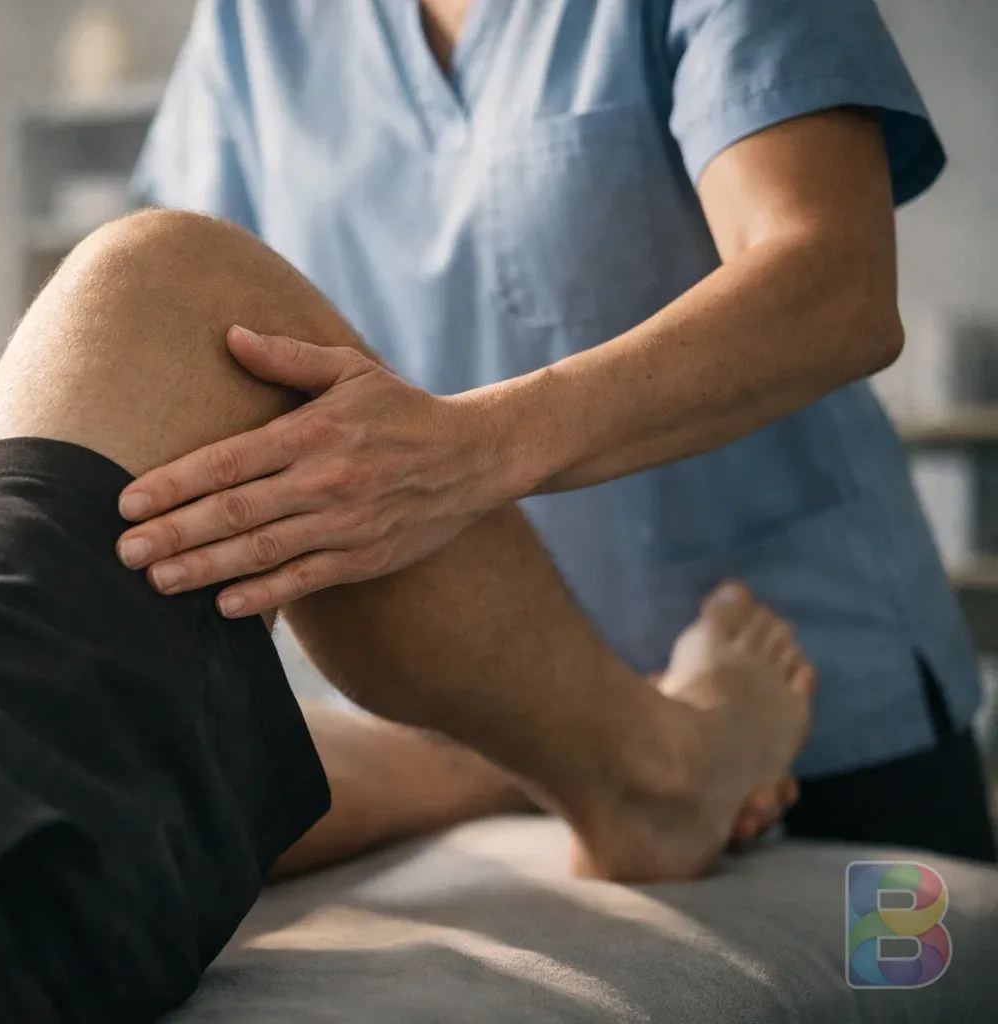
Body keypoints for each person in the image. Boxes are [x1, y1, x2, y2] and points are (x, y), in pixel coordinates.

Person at [0, 211, 812, 1024]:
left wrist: (491, 443)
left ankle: (483, 760)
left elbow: (832, 290)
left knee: (75, 701)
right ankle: (652, 769)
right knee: (176, 291)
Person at [121, 0, 996, 861]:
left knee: (906, 983)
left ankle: (628, 764)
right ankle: (591, 764)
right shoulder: (255, 25)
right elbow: (200, 350)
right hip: (474, 713)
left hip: (813, 696)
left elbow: (835, 288)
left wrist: (465, 455)